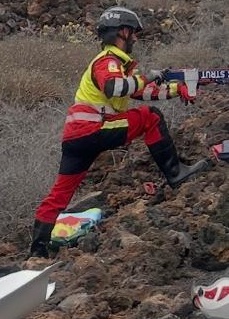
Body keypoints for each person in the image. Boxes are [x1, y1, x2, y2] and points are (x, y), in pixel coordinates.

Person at [29, 5, 209, 258]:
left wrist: (175, 89)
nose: (135, 37)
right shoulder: (108, 61)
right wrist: (148, 76)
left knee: (59, 194)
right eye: (133, 32)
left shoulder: (118, 65)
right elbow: (115, 87)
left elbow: (137, 91)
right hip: (95, 128)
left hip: (75, 137)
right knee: (150, 117)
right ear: (122, 32)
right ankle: (176, 173)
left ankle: (37, 251)